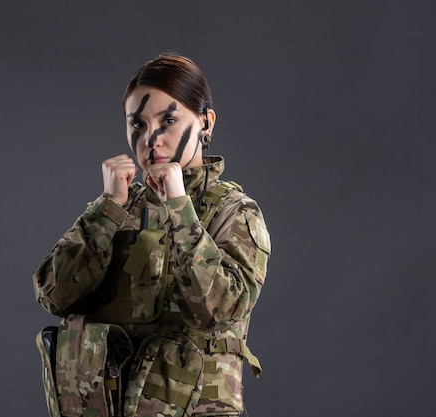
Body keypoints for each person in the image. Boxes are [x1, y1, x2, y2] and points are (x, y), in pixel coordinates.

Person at [33, 53, 271, 417]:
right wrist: (108, 206)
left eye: (169, 120)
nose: (152, 139)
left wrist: (178, 205)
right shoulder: (117, 209)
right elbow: (54, 295)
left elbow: (220, 309)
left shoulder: (235, 212)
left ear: (206, 123)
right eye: (138, 124)